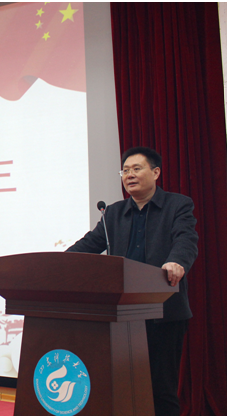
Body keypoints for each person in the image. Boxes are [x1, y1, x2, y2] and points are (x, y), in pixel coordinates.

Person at [66, 146, 198, 416]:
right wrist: (57, 263)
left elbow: (186, 239)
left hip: (163, 311)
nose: (129, 175)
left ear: (156, 172)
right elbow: (88, 246)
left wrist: (176, 262)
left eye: (136, 169)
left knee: (161, 390)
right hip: (122, 315)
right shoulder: (113, 213)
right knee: (122, 386)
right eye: (125, 171)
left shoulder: (177, 205)